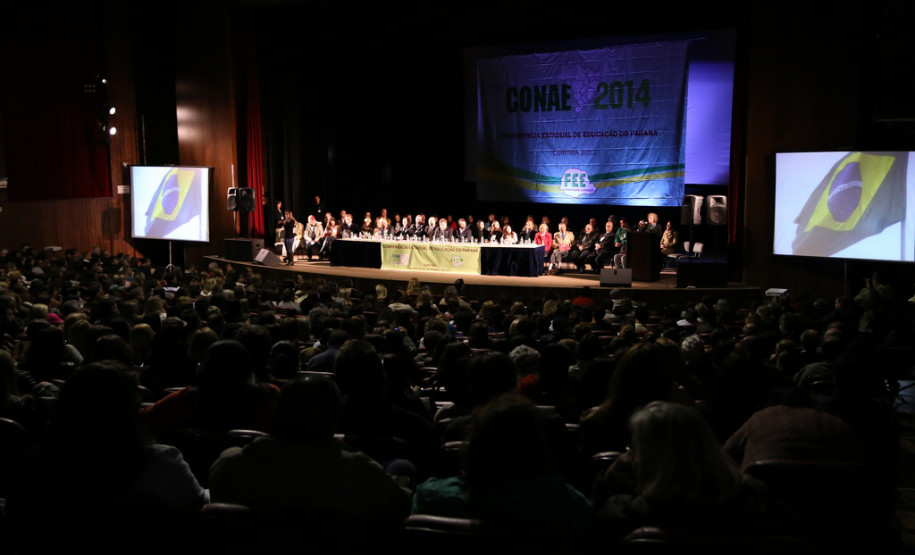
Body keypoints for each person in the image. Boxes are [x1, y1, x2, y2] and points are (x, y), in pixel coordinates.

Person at [208, 375, 412, 533]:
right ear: (333, 421)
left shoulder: (232, 464)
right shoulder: (360, 472)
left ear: (276, 413)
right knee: (402, 467)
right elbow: (398, 506)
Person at [592, 401, 799, 544]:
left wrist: (605, 485)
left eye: (633, 450)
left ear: (648, 461)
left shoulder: (622, 515)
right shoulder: (760, 503)